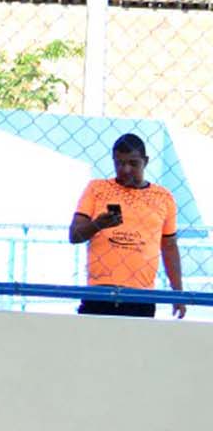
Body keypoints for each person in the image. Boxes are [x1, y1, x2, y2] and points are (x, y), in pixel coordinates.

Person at [69, 132, 185, 319]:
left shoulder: (163, 197)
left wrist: (178, 293)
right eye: (119, 163)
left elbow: (169, 246)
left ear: (145, 161)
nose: (126, 169)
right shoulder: (97, 189)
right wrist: (97, 224)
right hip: (100, 292)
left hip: (140, 294)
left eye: (133, 163)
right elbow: (74, 236)